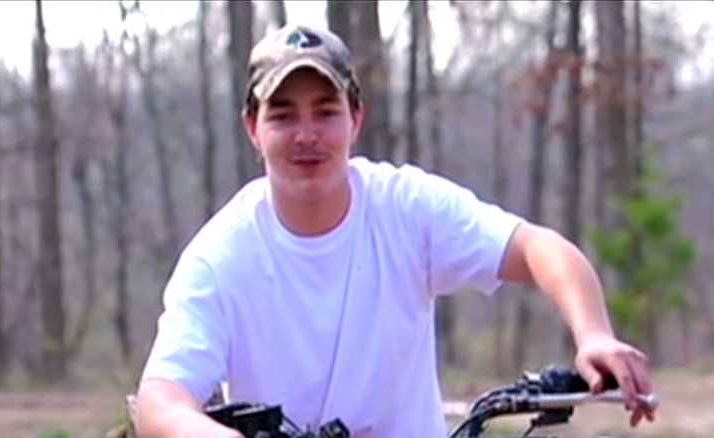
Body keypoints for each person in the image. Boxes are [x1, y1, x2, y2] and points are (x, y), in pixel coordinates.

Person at [135, 24, 655, 438]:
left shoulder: (406, 207)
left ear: (355, 118)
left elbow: (539, 248)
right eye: (283, 116)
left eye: (326, 111)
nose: (307, 135)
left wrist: (593, 335)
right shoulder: (221, 255)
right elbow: (160, 403)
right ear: (253, 127)